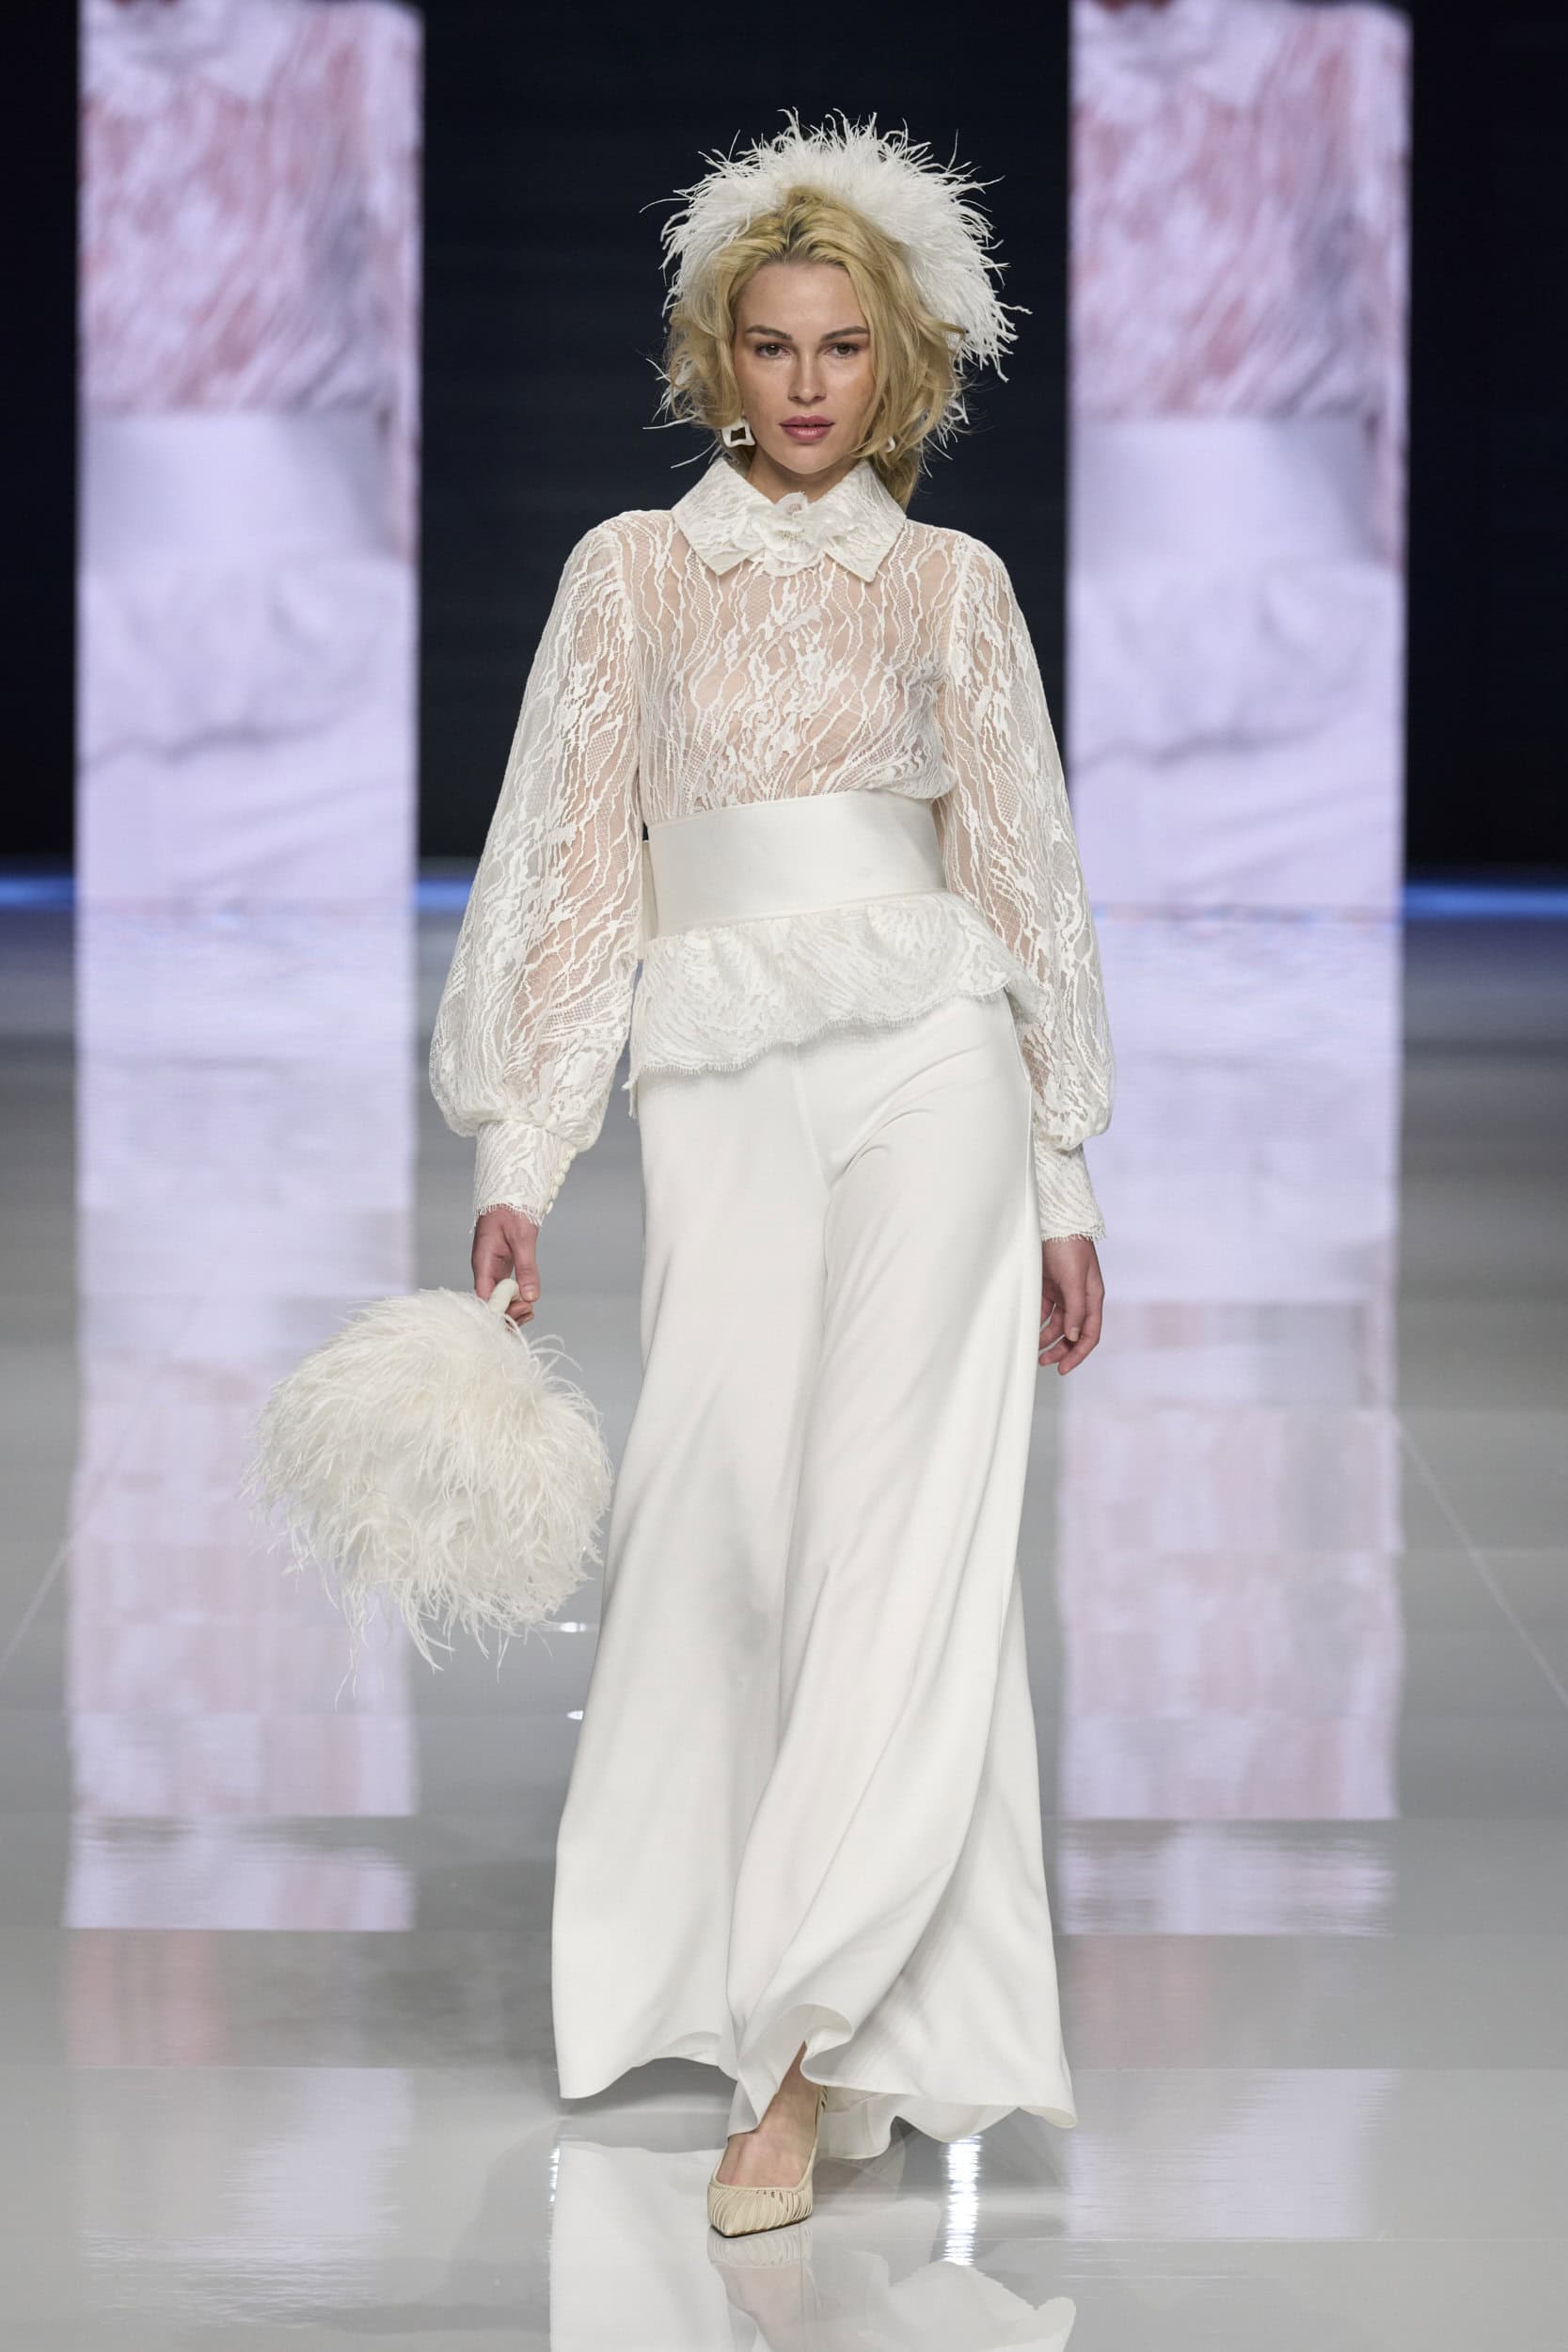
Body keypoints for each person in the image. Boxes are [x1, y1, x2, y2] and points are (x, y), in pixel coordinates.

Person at [429, 114, 1116, 2238]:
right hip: (720, 1075)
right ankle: (810, 1987)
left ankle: (800, 2060)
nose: (806, 381)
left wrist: (1064, 1179)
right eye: (770, 342)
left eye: (842, 345)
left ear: (898, 366)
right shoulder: (631, 575)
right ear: (716, 360)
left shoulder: (953, 586)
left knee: (897, 1542)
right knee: (722, 1515)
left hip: (933, 1068)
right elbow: (569, 868)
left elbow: (1025, 874)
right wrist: (527, 1146)